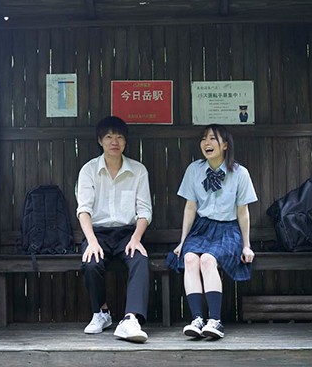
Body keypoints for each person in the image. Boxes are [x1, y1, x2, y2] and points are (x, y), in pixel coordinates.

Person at [168, 124, 257, 339]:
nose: (206, 143)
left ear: (225, 145)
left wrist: (246, 246)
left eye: (212, 138)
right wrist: (182, 242)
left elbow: (243, 212)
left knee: (208, 260)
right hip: (202, 228)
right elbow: (190, 208)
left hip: (228, 230)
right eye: (203, 138)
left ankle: (215, 321)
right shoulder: (194, 170)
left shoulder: (240, 173)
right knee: (190, 258)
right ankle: (197, 319)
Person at [77, 116, 152, 343]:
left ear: (125, 141)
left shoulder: (138, 170)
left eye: (119, 137)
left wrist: (136, 238)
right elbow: (83, 210)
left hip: (128, 233)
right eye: (109, 137)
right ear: (100, 140)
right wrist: (91, 241)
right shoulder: (89, 170)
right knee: (91, 262)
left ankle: (131, 319)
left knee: (140, 260)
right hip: (97, 233)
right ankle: (101, 313)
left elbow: (145, 210)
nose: (114, 142)